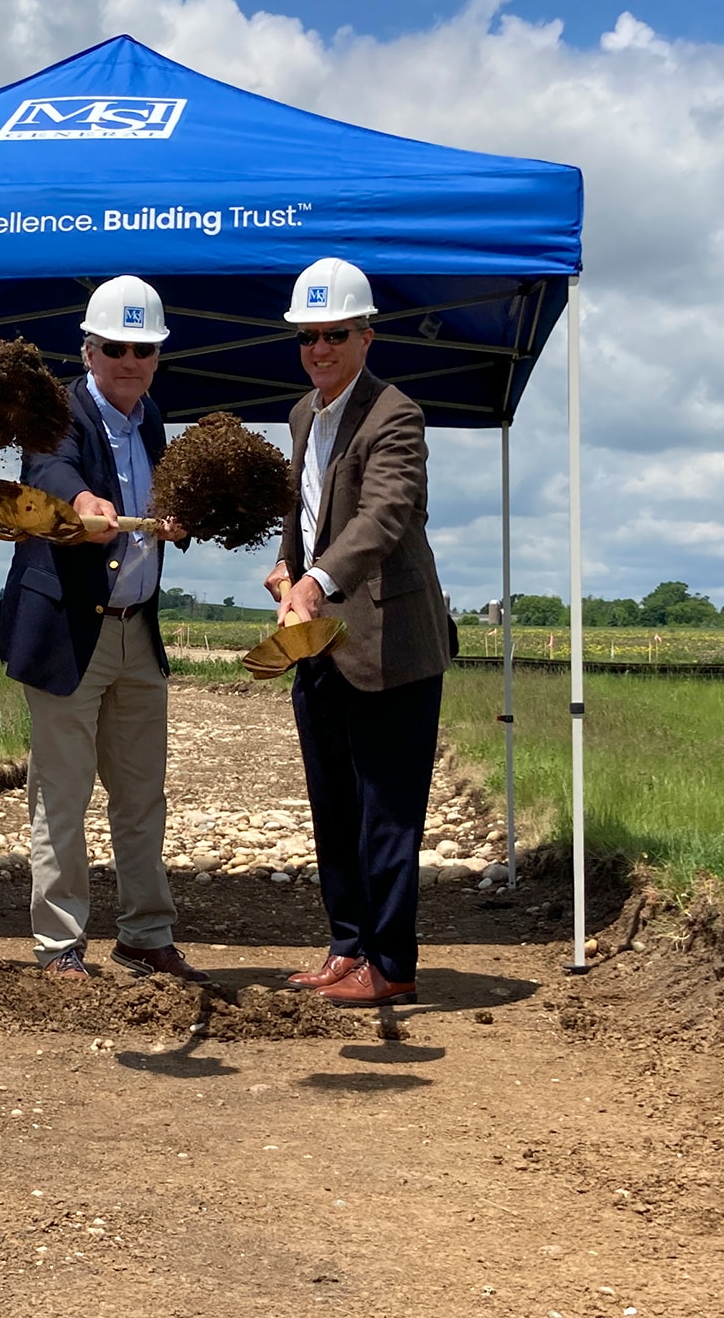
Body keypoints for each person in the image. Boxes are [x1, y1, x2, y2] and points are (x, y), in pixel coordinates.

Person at [0, 276, 209, 983]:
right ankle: (59, 948)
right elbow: (50, 470)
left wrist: (179, 514)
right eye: (117, 347)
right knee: (62, 794)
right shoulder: (58, 412)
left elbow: (157, 507)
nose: (130, 361)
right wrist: (81, 500)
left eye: (145, 349)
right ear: (88, 348)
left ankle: (146, 934)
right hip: (69, 635)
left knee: (142, 794)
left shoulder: (151, 418)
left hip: (138, 631)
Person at [263, 258, 455, 1008]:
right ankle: (348, 947)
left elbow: (385, 515)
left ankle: (392, 963)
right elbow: (303, 512)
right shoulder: (304, 414)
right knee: (334, 806)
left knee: (386, 813)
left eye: (333, 334)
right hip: (321, 644)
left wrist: (316, 581)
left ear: (366, 337)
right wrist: (286, 568)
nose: (319, 350)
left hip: (391, 645)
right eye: (308, 337)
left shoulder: (396, 416)